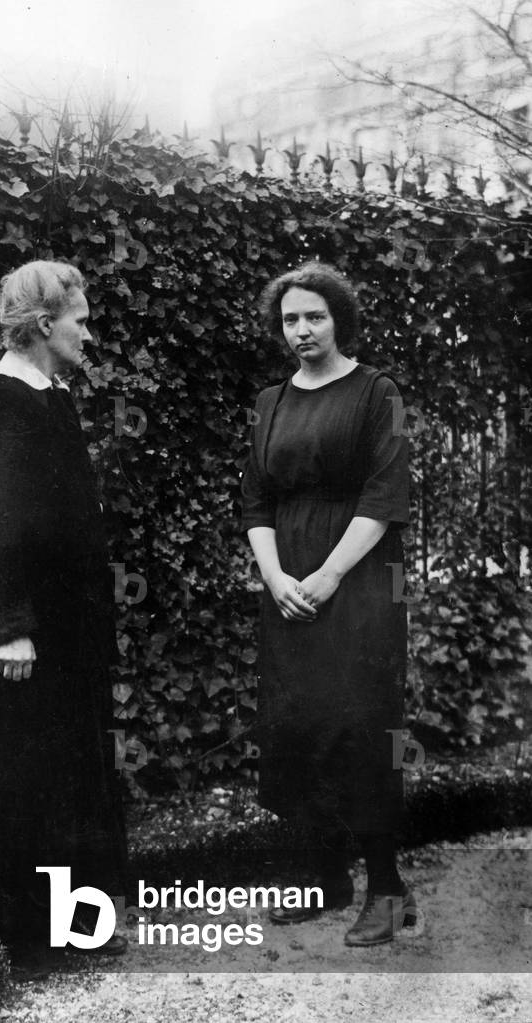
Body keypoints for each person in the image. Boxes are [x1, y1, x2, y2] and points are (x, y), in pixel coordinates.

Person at [0, 260, 128, 964]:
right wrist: (9, 626)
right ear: (45, 324)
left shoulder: (49, 395)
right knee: (23, 772)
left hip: (63, 625)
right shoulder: (5, 403)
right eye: (81, 321)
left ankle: (69, 923)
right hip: (25, 631)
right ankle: (24, 935)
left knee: (64, 768)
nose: (89, 334)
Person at [241, 261, 416, 946]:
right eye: (290, 319)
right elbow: (256, 502)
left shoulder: (377, 392)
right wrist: (276, 577)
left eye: (314, 315)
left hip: (359, 581)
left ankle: (386, 888)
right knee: (299, 723)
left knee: (361, 724)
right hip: (287, 586)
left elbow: (385, 495)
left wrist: (329, 573)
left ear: (338, 318)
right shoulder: (269, 402)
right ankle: (325, 876)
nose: (302, 329)